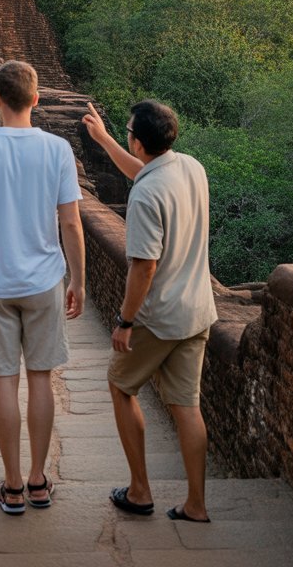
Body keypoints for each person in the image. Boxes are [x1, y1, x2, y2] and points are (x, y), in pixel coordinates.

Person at [0, 60, 85, 514]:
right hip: (45, 278)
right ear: (36, 98)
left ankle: (11, 486)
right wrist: (78, 280)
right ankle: (37, 481)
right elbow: (71, 222)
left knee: (4, 381)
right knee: (41, 377)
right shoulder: (57, 149)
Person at [82, 100, 218, 524]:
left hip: (158, 316)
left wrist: (125, 322)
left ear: (139, 142)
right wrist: (105, 140)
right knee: (187, 406)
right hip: (197, 309)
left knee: (120, 385)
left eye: (127, 133)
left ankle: (140, 491)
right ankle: (196, 505)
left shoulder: (144, 195)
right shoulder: (191, 167)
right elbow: (144, 172)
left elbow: (143, 267)